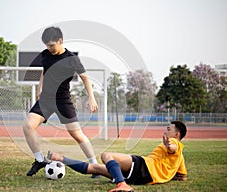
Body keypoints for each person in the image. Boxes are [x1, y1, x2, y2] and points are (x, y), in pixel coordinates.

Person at [23, 26, 99, 177]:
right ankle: (39, 160)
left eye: (52, 45)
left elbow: (85, 78)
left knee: (77, 134)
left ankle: (95, 166)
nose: (49, 48)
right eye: (47, 46)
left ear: (60, 41)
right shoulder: (45, 55)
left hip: (63, 101)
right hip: (46, 100)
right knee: (28, 126)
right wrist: (40, 87)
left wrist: (92, 97)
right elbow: (45, 71)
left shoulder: (72, 59)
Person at [47, 121, 187, 192]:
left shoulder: (175, 144)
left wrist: (169, 145)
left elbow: (173, 148)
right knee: (95, 168)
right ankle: (61, 158)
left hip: (145, 166)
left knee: (107, 155)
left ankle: (122, 184)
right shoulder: (180, 157)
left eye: (168, 129)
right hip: (142, 178)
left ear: (176, 135)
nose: (165, 131)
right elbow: (182, 176)